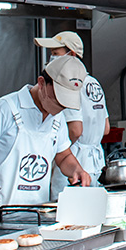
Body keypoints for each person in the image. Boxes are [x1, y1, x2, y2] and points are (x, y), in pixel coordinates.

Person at [0, 54, 93, 207]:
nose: (59, 108)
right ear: (42, 82)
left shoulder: (57, 118)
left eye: (64, 105)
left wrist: (76, 170)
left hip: (36, 214)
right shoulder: (4, 109)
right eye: (57, 99)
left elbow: (63, 156)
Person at [34, 31, 110, 197]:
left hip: (73, 165)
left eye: (55, 53)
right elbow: (105, 128)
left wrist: (59, 152)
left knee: (64, 215)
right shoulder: (94, 83)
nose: (51, 58)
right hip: (94, 164)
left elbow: (75, 130)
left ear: (72, 54)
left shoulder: (69, 84)